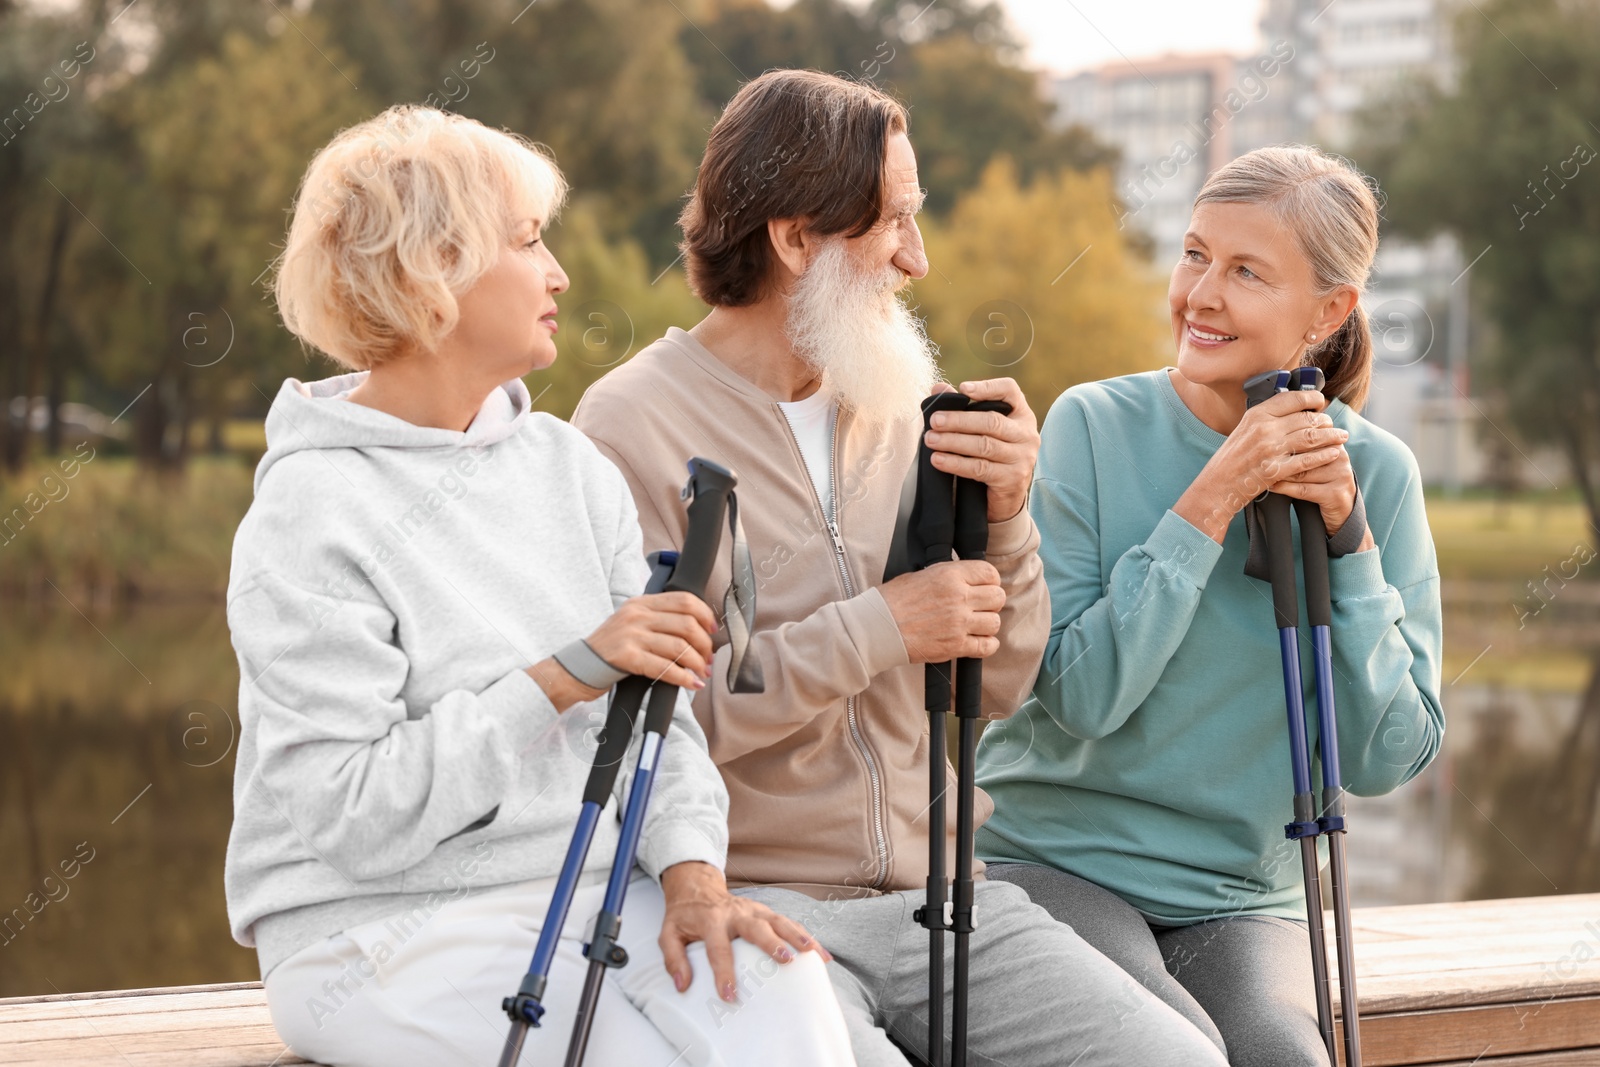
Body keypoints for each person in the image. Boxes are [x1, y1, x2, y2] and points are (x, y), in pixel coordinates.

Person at [573, 69, 1228, 1067]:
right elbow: (653, 723)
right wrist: (881, 624)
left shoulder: (895, 402)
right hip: (754, 901)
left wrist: (1006, 520)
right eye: (894, 225)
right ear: (794, 240)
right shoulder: (628, 427)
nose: (917, 260)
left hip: (944, 896)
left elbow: (996, 685)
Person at [224, 104, 855, 1067]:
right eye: (527, 241)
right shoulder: (313, 509)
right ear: (429, 268)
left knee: (785, 993)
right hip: (378, 930)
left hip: (598, 892)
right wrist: (566, 672)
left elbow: (662, 721)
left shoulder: (567, 464)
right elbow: (353, 815)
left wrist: (694, 881)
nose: (557, 271)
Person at [974, 145, 1445, 1066]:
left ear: (1328, 311)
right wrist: (1210, 499)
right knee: (1172, 1049)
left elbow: (1388, 758)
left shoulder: (1378, 472)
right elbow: (1079, 696)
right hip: (1054, 860)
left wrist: (1349, 546)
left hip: (1239, 894)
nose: (1200, 294)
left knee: (1284, 1057)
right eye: (1194, 255)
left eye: (1244, 271)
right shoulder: (1093, 424)